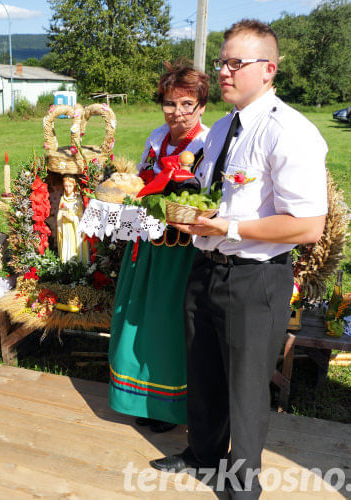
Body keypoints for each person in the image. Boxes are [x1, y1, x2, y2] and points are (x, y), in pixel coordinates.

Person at [152, 20, 328, 498]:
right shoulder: (223, 128)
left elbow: (308, 225)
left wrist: (225, 226)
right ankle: (203, 455)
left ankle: (240, 484)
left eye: (235, 63)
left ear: (268, 70)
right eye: (221, 62)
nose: (223, 72)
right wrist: (192, 210)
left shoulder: (289, 132)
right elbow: (224, 197)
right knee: (203, 371)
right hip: (207, 266)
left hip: (255, 279)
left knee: (247, 391)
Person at [108, 63, 210, 434]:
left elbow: (212, 196)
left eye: (187, 103)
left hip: (185, 252)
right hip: (151, 245)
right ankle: (142, 398)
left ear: (201, 106)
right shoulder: (155, 137)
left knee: (170, 325)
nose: (177, 112)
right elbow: (141, 181)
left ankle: (171, 406)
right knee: (142, 320)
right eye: (169, 103)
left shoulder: (208, 143)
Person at [56, 175, 88, 263]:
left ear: (74, 186)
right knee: (66, 244)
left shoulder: (77, 200)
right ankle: (66, 264)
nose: (67, 189)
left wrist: (72, 218)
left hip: (74, 228)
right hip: (65, 227)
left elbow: (81, 216)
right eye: (65, 186)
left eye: (70, 186)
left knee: (74, 245)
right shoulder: (63, 199)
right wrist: (61, 215)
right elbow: (59, 212)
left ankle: (76, 263)